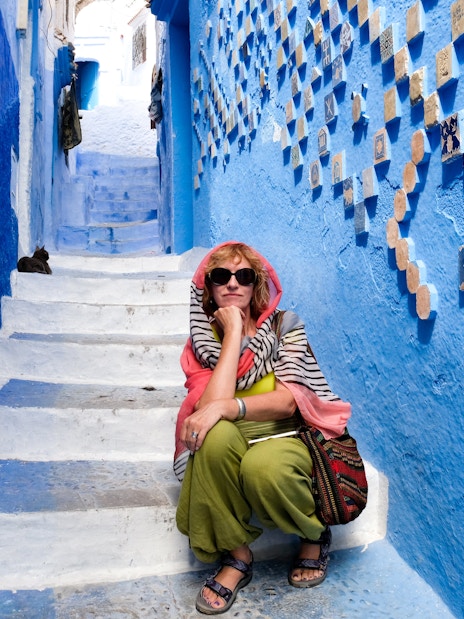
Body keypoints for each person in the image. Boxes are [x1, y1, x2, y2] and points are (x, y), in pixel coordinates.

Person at [174, 241, 351, 615]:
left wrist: (228, 405)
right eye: (221, 276)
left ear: (257, 285)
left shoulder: (286, 326)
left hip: (285, 433)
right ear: (208, 287)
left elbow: (288, 400)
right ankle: (237, 555)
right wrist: (234, 333)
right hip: (236, 435)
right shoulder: (202, 342)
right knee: (212, 437)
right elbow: (207, 414)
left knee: (263, 467)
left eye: (245, 276)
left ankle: (312, 533)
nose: (233, 284)